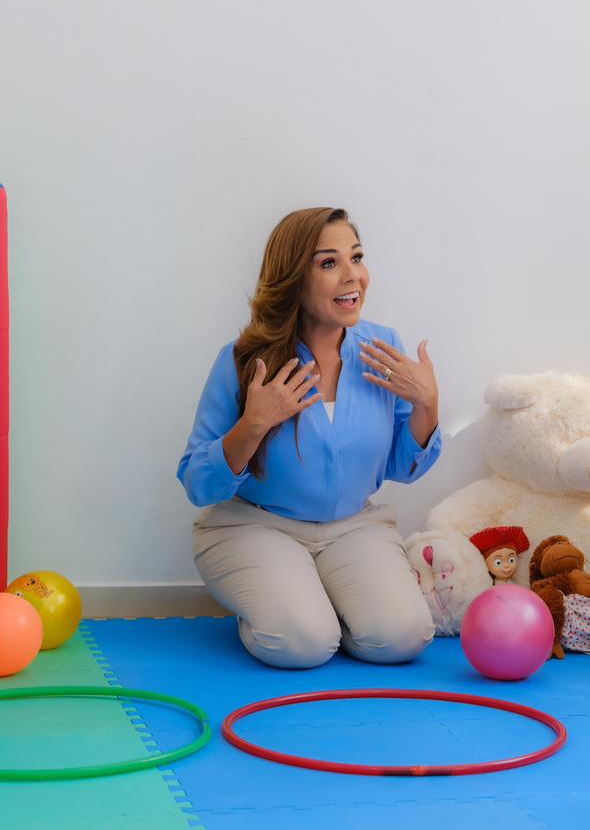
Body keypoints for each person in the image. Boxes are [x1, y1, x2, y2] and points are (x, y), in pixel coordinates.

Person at [177, 207, 441, 669]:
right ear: (293, 278)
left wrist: (427, 404)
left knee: (404, 638)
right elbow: (198, 483)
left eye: (356, 257)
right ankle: (293, 606)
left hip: (352, 528)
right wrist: (253, 425)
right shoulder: (245, 359)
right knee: (303, 644)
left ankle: (318, 597)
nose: (352, 275)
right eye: (329, 263)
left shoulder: (381, 349)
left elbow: (401, 467)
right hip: (255, 527)